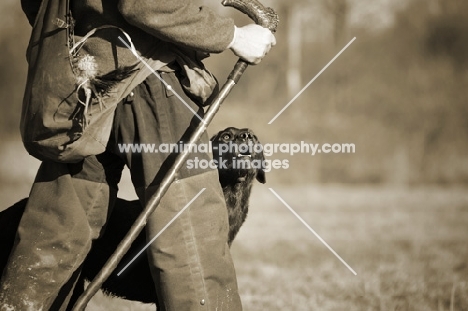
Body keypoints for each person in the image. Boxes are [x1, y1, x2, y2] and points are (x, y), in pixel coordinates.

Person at [0, 0, 276, 310]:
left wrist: (85, 39)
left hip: (80, 83)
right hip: (150, 75)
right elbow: (141, 4)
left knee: (58, 225)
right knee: (192, 231)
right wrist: (232, 36)